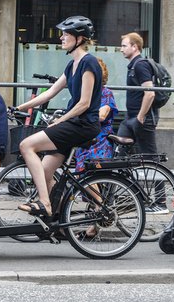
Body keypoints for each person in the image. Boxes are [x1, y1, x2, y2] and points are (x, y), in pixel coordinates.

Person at [15, 15, 102, 218]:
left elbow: (84, 103)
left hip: (83, 124)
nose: (61, 38)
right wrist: (20, 106)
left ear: (79, 39)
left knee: (26, 145)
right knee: (45, 171)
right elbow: (50, 92)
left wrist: (60, 121)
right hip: (74, 123)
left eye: (66, 34)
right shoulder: (72, 65)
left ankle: (45, 203)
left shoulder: (89, 63)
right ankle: (60, 216)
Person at [74, 58, 118, 172]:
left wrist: (78, 117)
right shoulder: (82, 94)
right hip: (84, 138)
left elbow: (102, 116)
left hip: (100, 140)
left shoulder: (106, 93)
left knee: (87, 171)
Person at [117, 32, 158, 154]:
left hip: (142, 119)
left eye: (124, 46)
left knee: (149, 157)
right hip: (130, 117)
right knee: (121, 153)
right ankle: (121, 172)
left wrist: (140, 117)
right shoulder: (133, 66)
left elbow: (150, 93)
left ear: (134, 47)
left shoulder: (140, 65)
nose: (121, 49)